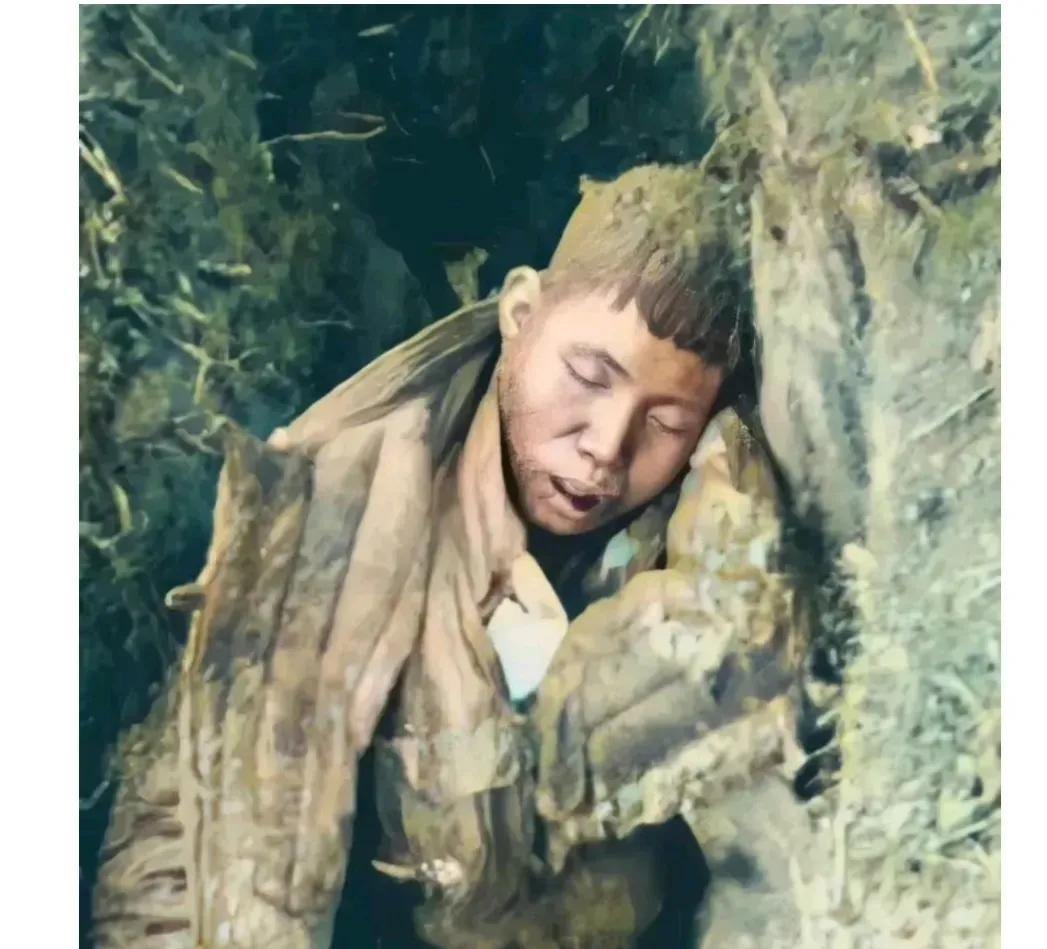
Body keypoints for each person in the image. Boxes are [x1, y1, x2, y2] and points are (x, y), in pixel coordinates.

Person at [93, 164, 806, 948]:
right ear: (521, 313)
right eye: (586, 377)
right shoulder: (351, 508)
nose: (606, 446)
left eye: (665, 422)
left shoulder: (718, 529)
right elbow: (191, 847)